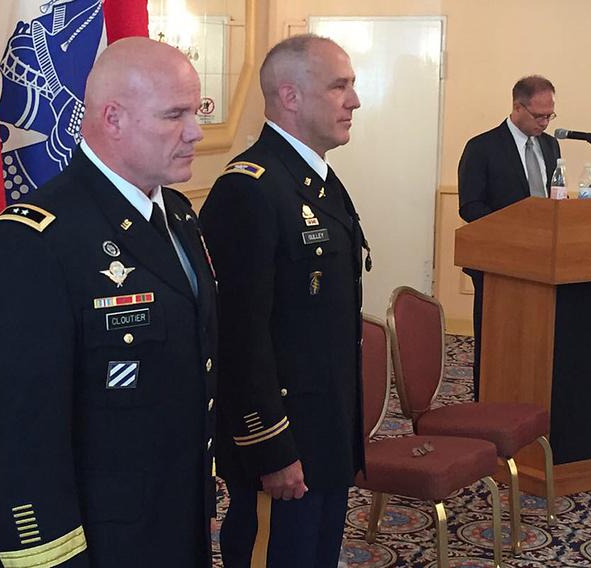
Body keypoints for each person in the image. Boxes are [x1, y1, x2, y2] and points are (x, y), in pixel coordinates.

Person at [0, 37, 217, 568]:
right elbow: (14, 430)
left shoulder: (178, 218)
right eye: (175, 114)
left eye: (197, 111)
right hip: (94, 544)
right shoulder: (33, 242)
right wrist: (48, 553)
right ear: (113, 118)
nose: (196, 131)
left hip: (173, 521)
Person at [200, 34, 368, 568]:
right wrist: (268, 446)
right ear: (290, 96)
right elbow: (238, 336)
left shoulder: (314, 179)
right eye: (339, 86)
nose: (354, 101)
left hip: (324, 432)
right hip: (283, 444)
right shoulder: (249, 189)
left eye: (353, 86)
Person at [457, 75, 561, 400]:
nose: (545, 123)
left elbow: (550, 193)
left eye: (550, 116)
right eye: (538, 115)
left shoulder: (550, 145)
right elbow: (470, 205)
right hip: (497, 264)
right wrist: (514, 232)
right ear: (517, 107)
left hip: (543, 263)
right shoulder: (482, 147)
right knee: (496, 342)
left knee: (536, 343)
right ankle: (486, 404)